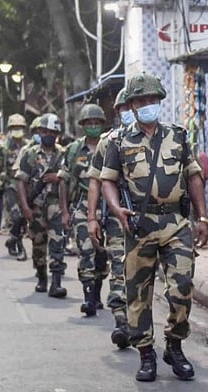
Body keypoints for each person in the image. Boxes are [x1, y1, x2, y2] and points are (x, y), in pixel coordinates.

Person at [101, 72, 208, 382]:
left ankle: (174, 345)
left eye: (153, 99)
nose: (149, 105)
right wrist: (115, 208)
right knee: (138, 293)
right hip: (139, 226)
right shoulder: (119, 141)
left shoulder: (177, 135)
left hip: (176, 223)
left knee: (182, 287)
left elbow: (193, 176)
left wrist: (201, 217)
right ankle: (146, 353)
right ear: (132, 106)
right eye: (142, 100)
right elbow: (107, 179)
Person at [88, 89, 134, 348]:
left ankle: (140, 323)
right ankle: (121, 321)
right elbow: (96, 182)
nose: (129, 111)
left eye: (132, 105)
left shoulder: (161, 137)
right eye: (124, 107)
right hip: (118, 218)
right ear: (118, 112)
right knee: (119, 266)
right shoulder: (110, 141)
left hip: (150, 220)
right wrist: (92, 217)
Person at [15, 113, 71, 297]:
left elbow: (70, 177)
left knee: (57, 243)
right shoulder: (29, 154)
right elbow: (21, 181)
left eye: (52, 132)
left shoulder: (64, 154)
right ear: (39, 132)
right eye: (44, 131)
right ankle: (41, 277)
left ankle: (56, 283)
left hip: (57, 206)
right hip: (37, 207)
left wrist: (59, 177)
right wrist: (25, 208)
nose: (48, 134)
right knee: (38, 245)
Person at [66, 103, 108, 316]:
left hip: (107, 207)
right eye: (89, 123)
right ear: (83, 125)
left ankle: (98, 294)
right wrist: (65, 211)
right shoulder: (74, 150)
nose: (93, 126)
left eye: (96, 122)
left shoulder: (110, 145)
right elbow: (64, 179)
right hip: (82, 207)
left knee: (102, 254)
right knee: (86, 252)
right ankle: (88, 297)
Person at [0, 113, 31, 260]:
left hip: (26, 187)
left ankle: (12, 240)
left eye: (19, 127)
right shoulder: (4, 147)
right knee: (16, 217)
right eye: (14, 127)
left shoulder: (29, 146)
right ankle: (20, 248)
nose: (17, 130)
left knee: (23, 218)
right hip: (10, 186)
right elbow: (0, 168)